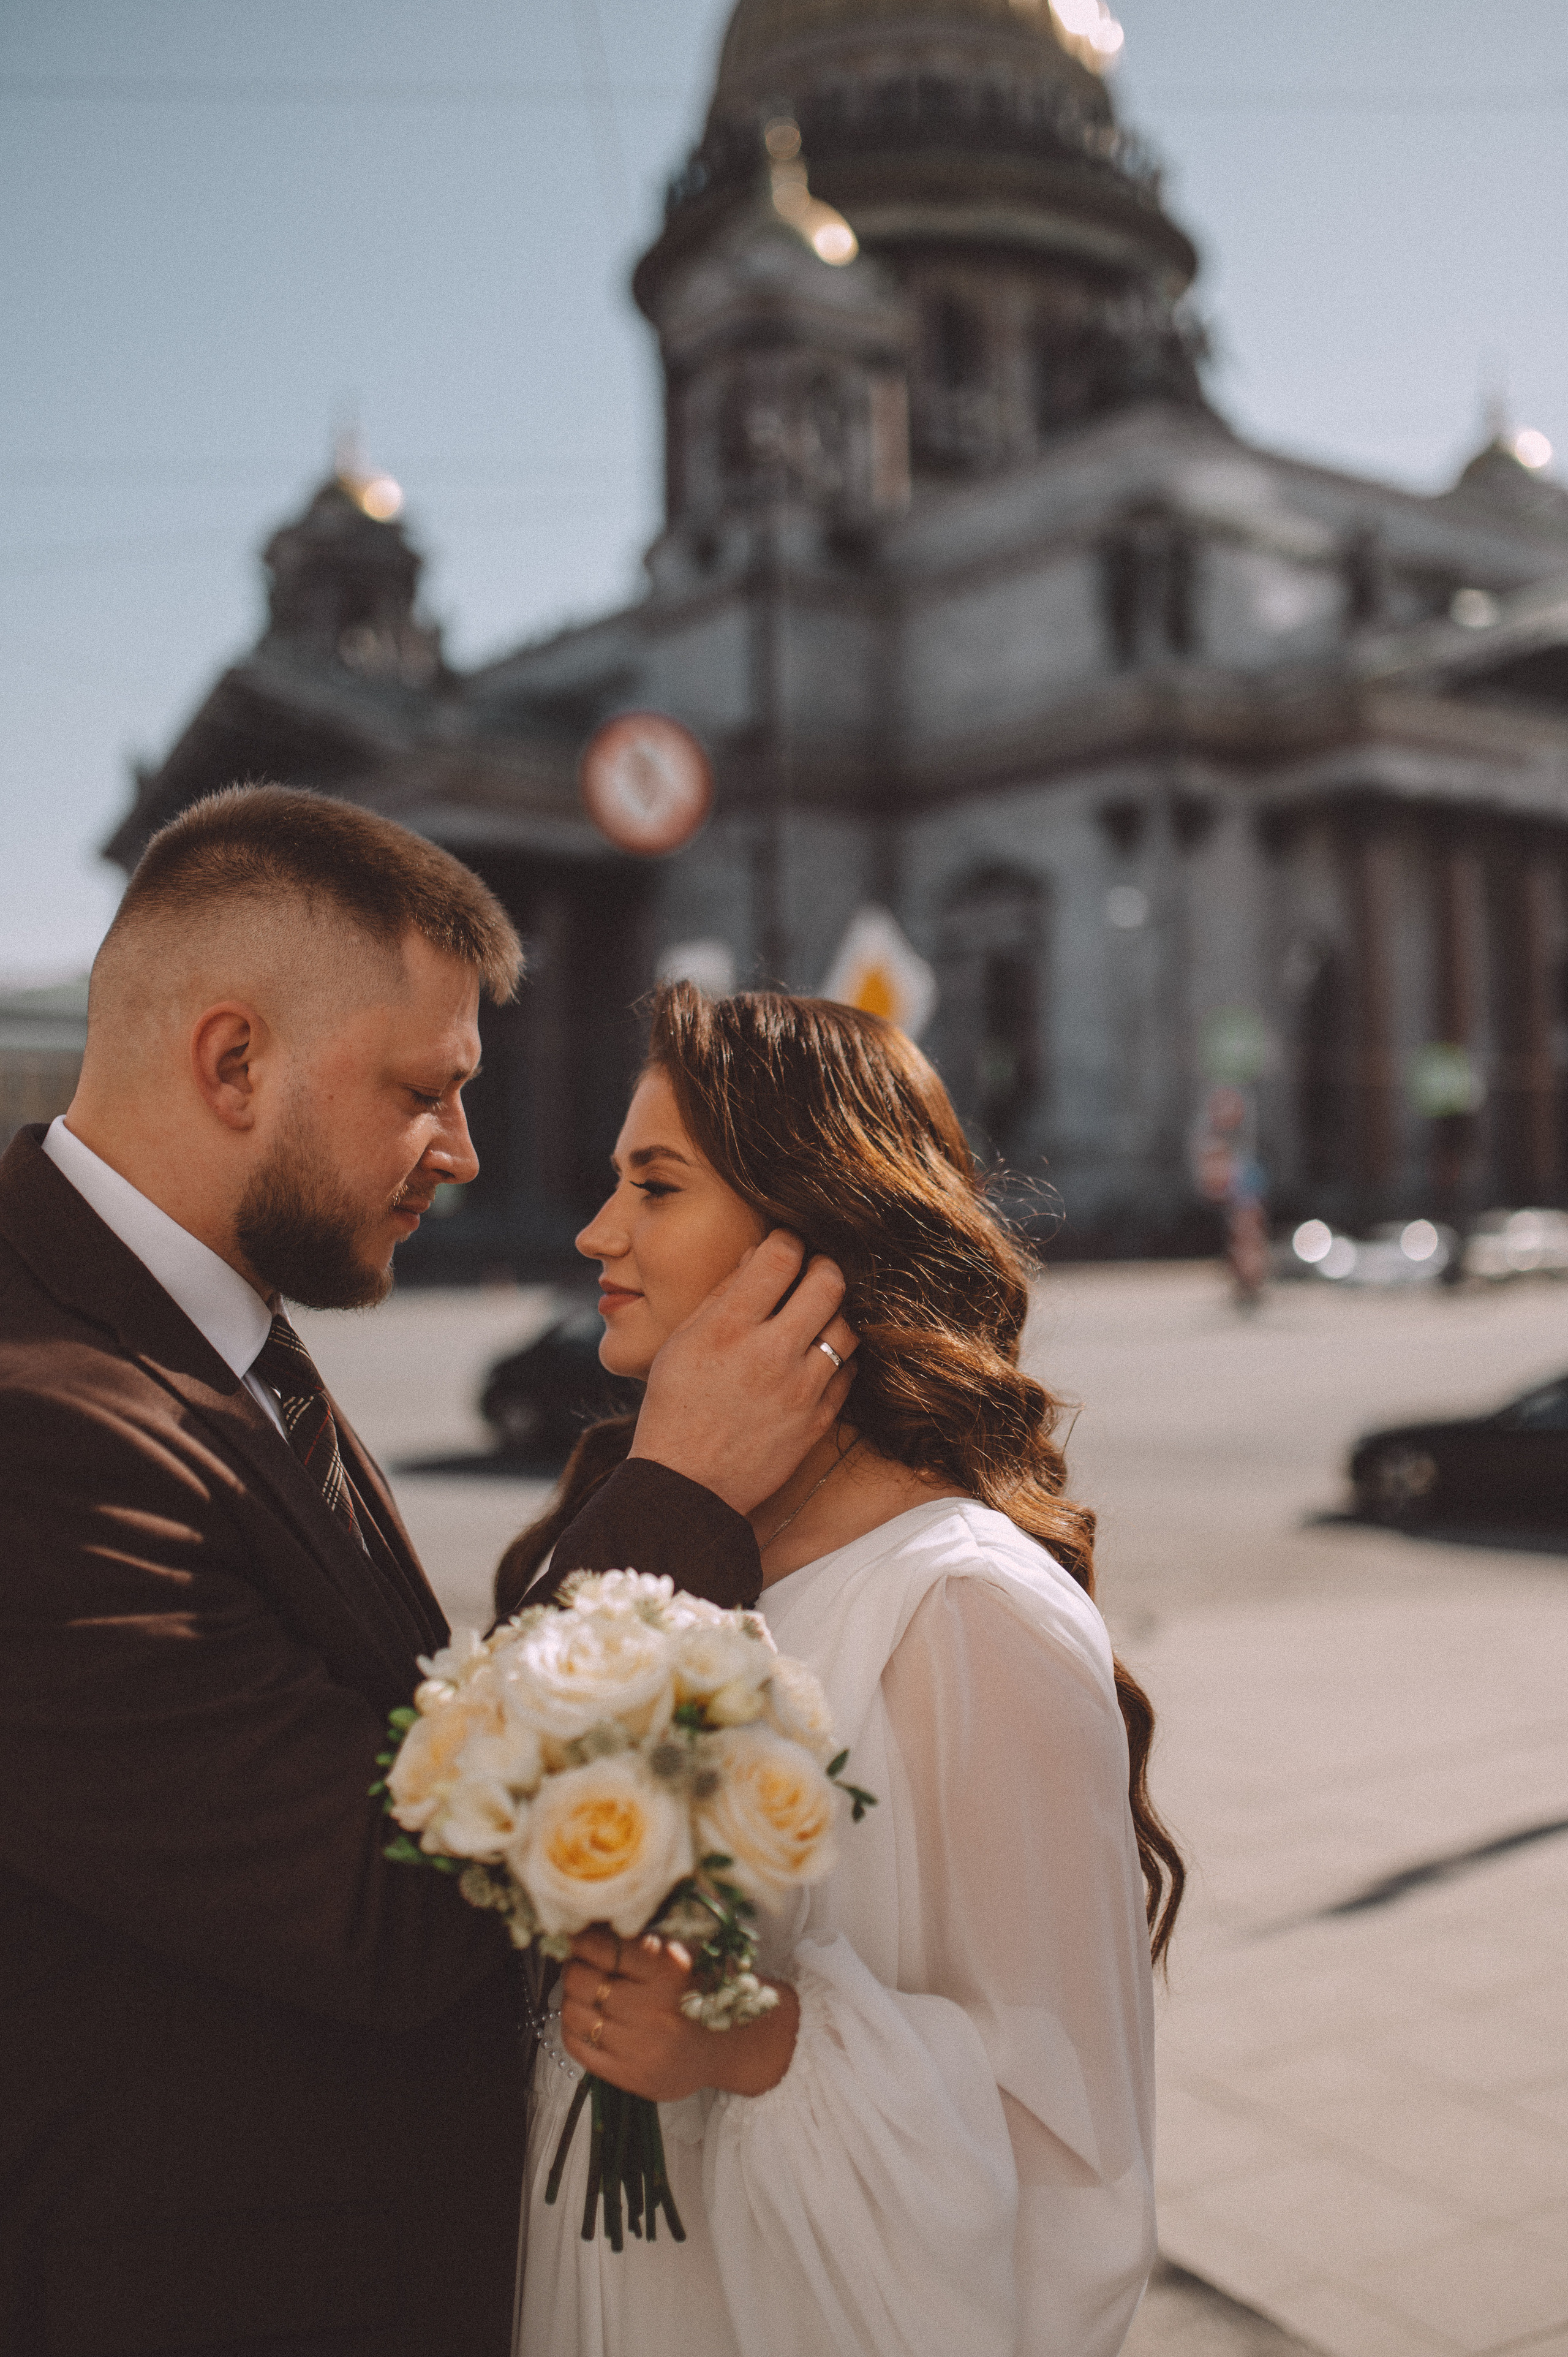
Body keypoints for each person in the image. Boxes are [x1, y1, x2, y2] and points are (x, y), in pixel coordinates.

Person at [0, 788, 856, 2357]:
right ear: (233, 1060)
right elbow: (379, 1901)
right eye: (423, 1091)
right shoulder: (32, 1412)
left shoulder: (204, 1322)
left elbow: (394, 1731)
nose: (462, 1150)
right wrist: (674, 1493)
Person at [500, 983, 1183, 2357]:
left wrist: (748, 2045)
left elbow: (1075, 2169)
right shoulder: (659, 1536)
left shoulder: (969, 1611)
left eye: (654, 1183)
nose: (596, 1231)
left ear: (805, 1235)